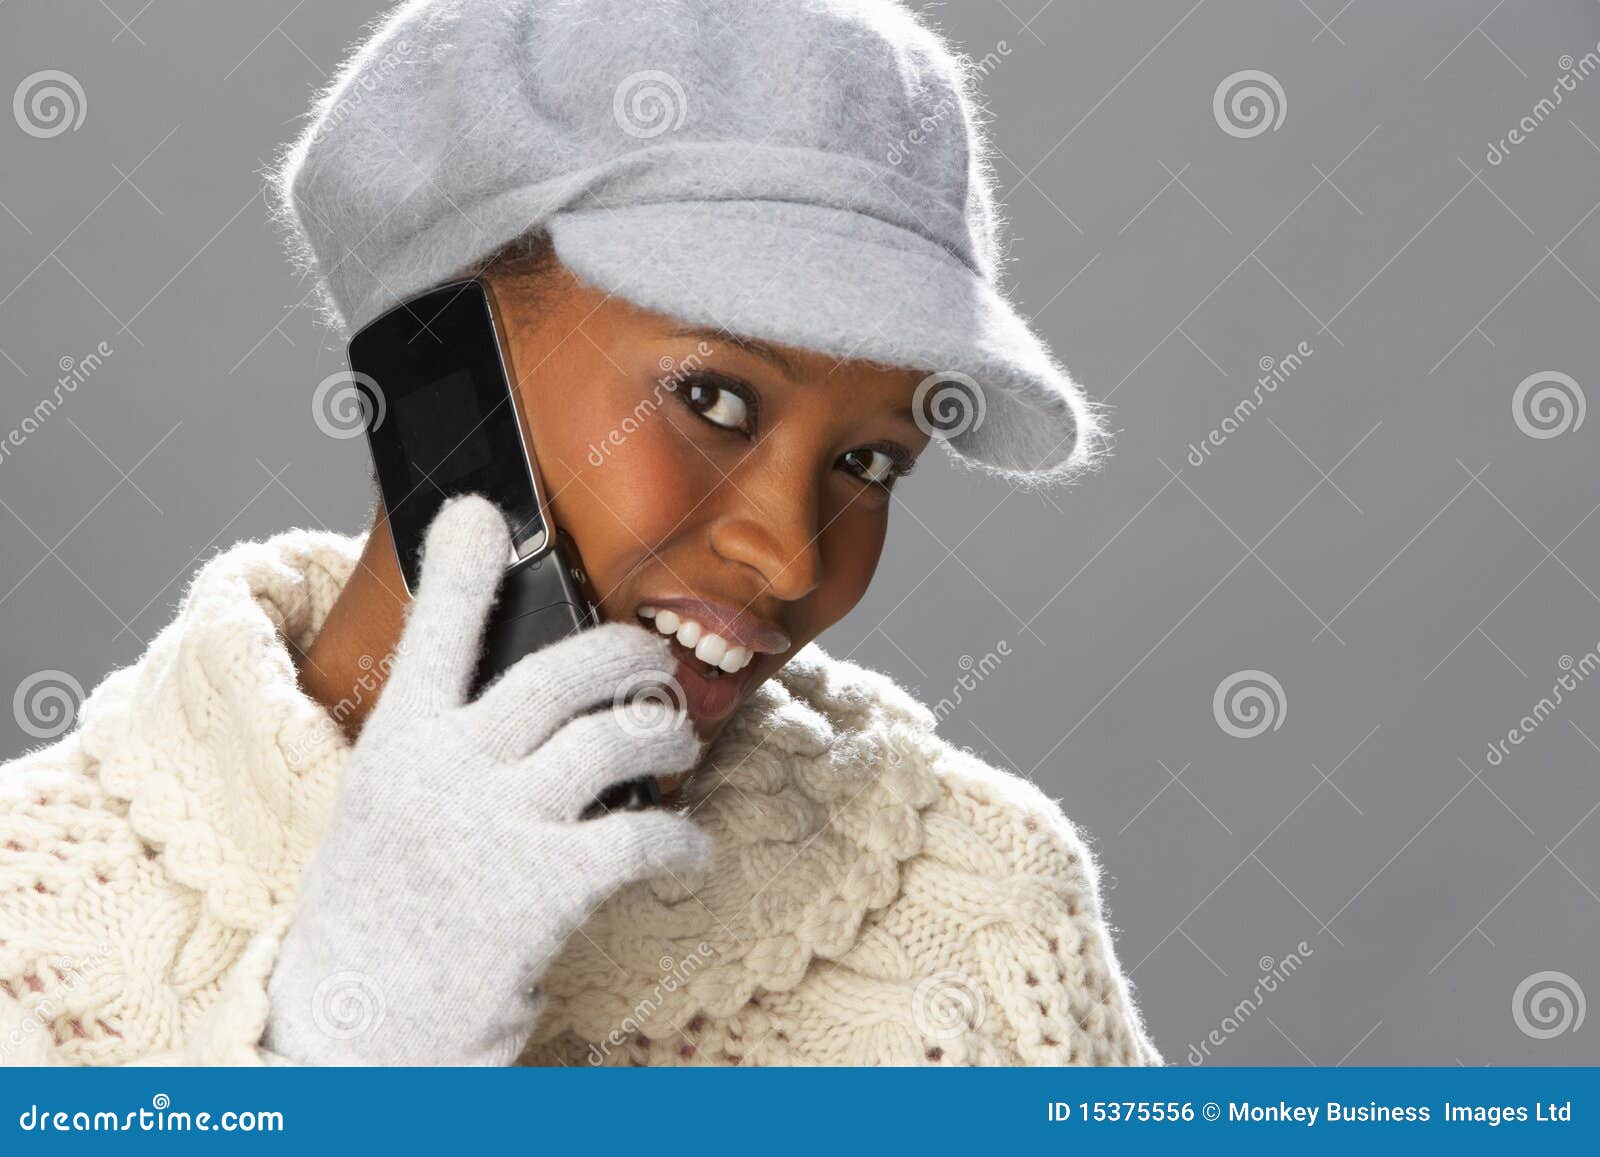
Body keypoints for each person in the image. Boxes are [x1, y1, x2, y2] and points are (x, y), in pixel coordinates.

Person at [0, 0, 1160, 1066]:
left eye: (869, 462)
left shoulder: (982, 914)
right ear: (439, 363)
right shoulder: (29, 919)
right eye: (715, 400)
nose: (794, 557)